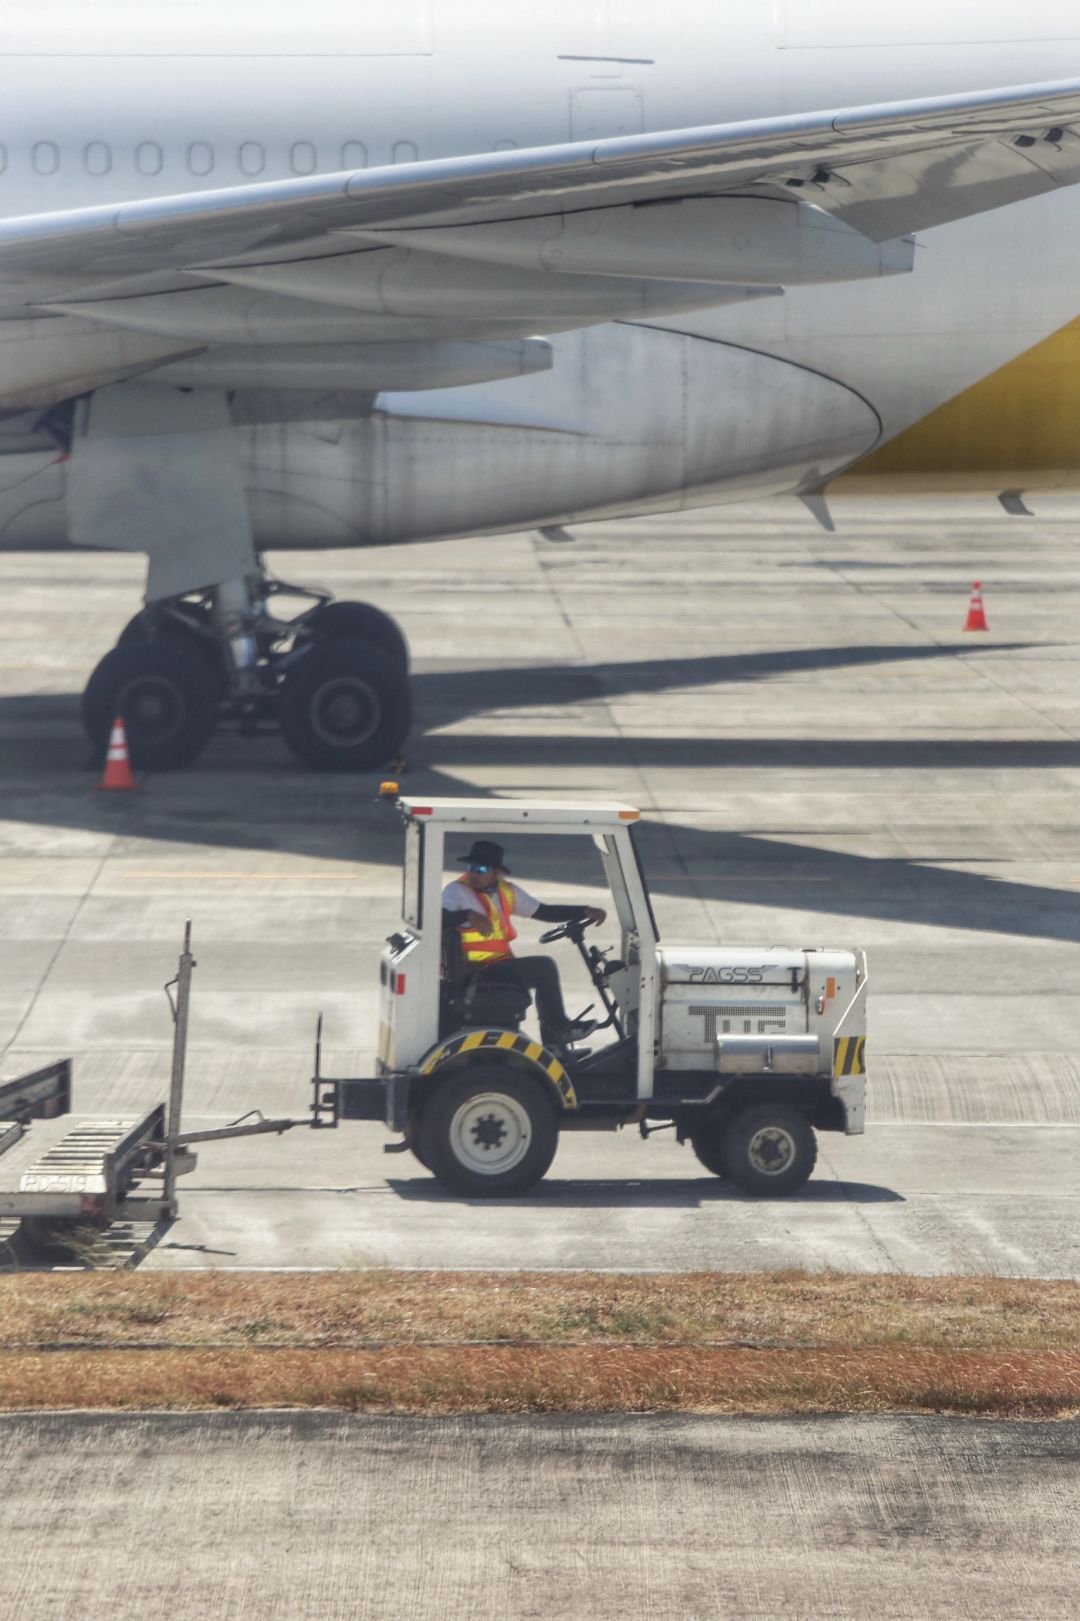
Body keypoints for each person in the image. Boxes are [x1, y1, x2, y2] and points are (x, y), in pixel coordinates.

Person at [442, 839, 607, 1047]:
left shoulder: (507, 892)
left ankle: (554, 1044)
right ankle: (558, 1029)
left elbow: (544, 911)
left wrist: (583, 910)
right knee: (543, 968)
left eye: (480, 868)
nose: (473, 873)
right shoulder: (456, 891)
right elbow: (438, 917)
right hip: (476, 971)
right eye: (470, 868)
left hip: (497, 966)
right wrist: (468, 915)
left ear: (495, 872)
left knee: (537, 973)